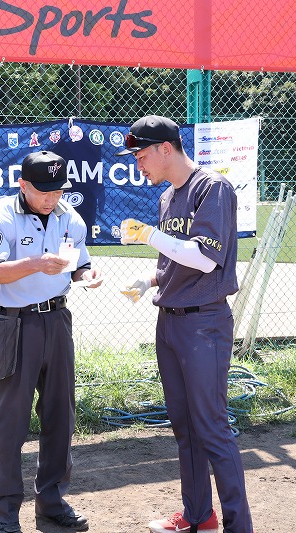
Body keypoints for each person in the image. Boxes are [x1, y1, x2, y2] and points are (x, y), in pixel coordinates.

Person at [115, 115, 253, 533]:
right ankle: (198, 516)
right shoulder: (167, 198)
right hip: (171, 322)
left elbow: (205, 259)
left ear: (165, 148)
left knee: (211, 427)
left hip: (204, 323)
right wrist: (149, 280)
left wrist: (149, 236)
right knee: (185, 427)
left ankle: (239, 526)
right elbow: (176, 261)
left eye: (141, 156)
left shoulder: (212, 187)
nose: (139, 165)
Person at [0, 150, 103, 533]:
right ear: (23, 184)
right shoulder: (0, 214)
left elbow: (78, 264)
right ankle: (3, 516)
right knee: (11, 423)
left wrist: (88, 275)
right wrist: (35, 263)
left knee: (60, 417)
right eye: (44, 190)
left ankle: (52, 504)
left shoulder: (70, 217)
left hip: (57, 320)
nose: (52, 198)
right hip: (14, 324)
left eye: (58, 189)